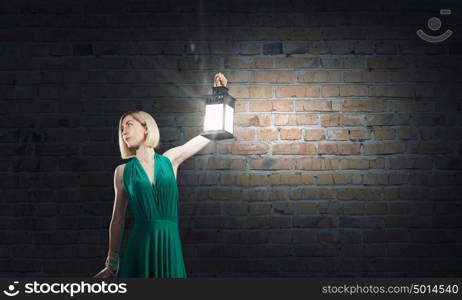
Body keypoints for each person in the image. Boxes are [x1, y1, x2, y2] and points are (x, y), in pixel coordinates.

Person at [93, 73, 228, 278]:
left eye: (129, 124)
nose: (124, 131)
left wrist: (220, 95)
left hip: (170, 245)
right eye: (121, 129)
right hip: (141, 246)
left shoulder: (170, 160)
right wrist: (112, 263)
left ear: (146, 128)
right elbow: (117, 219)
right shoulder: (122, 172)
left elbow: (209, 134)